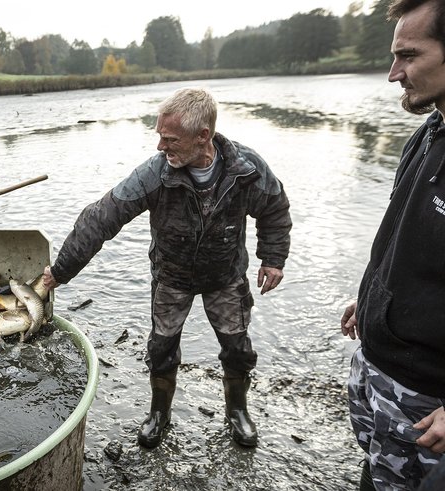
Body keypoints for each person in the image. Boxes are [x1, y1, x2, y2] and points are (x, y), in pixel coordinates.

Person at [42, 87, 292, 448]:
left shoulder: (247, 170)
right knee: (161, 348)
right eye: (160, 136)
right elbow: (100, 218)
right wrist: (59, 272)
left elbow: (275, 210)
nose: (161, 146)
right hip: (171, 278)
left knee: (237, 348)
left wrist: (273, 258)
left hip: (226, 277)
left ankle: (237, 410)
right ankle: (159, 413)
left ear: (202, 136)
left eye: (170, 138)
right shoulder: (155, 174)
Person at [340, 0, 445, 489]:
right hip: (378, 376)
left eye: (408, 56)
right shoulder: (428, 133)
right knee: (375, 477)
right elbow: (402, 239)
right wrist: (371, 299)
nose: (392, 74)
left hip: (428, 405)